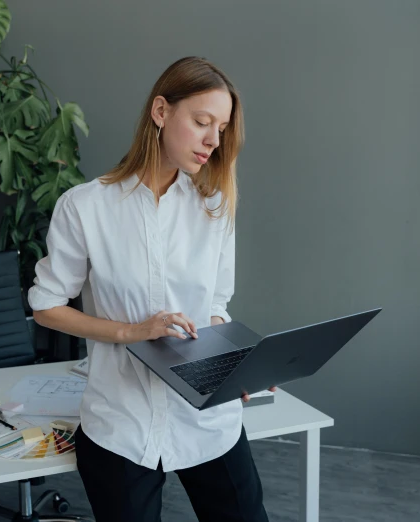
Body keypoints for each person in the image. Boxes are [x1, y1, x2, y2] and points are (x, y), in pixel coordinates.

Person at [28, 56, 272, 522]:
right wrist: (132, 331)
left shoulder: (215, 206)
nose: (212, 140)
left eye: (220, 128)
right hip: (122, 425)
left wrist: (236, 362)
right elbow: (46, 307)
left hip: (207, 419)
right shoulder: (84, 208)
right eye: (202, 121)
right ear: (161, 112)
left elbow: (216, 306)